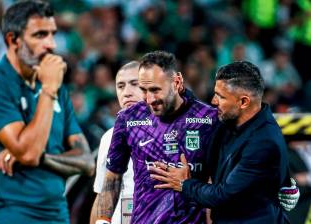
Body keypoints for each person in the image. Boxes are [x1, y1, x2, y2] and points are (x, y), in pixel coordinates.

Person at [0, 1, 94, 223]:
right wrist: (48, 89)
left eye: (52, 34)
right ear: (13, 40)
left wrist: (45, 158)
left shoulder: (57, 89)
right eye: (40, 35)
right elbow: (28, 153)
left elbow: (86, 162)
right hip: (9, 215)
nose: (51, 44)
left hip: (57, 216)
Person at [150, 61, 292, 223]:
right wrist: (179, 92)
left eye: (221, 96)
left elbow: (223, 196)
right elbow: (204, 112)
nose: (213, 101)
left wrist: (184, 183)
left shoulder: (264, 142)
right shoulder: (233, 118)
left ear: (244, 102)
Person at [95, 50, 219, 224]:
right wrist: (102, 221)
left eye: (155, 90)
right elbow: (112, 178)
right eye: (143, 90)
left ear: (176, 83)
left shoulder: (208, 119)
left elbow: (219, 184)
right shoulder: (128, 119)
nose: (149, 99)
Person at [90, 61, 143, 224]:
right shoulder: (108, 137)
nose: (126, 92)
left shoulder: (173, 131)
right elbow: (101, 195)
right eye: (120, 86)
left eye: (135, 84)